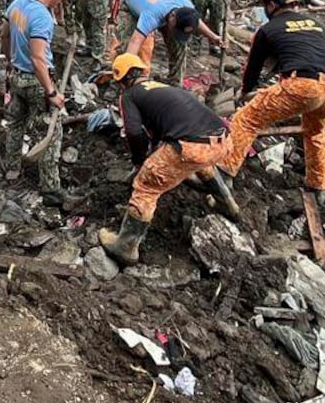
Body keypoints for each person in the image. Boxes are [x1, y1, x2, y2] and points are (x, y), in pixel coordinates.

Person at [98, 54, 237, 264]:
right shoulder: (161, 87)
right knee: (201, 162)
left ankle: (125, 246)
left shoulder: (130, 95)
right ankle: (226, 203)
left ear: (121, 80)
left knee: (146, 185)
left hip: (190, 146)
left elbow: (134, 133)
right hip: (222, 141)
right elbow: (159, 130)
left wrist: (139, 162)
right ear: (142, 71)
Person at [222, 0, 325, 198]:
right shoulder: (317, 23)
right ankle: (318, 187)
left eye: (265, 5)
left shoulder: (268, 29)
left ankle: (223, 173)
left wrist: (245, 93)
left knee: (246, 120)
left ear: (272, 4)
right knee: (315, 132)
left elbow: (253, 69)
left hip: (302, 85)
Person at [4, 0, 72, 195]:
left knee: (15, 125)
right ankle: (51, 189)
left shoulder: (18, 4)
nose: (61, 1)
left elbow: (5, 35)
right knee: (50, 133)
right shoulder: (42, 17)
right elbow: (38, 58)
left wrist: (9, 63)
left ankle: (11, 170)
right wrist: (52, 93)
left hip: (17, 77)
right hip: (35, 81)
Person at [122, 0, 218, 84]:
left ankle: (175, 82)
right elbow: (135, 41)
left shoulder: (187, 7)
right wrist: (127, 69)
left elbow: (196, 21)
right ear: (172, 16)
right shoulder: (152, 15)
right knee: (128, 47)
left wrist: (214, 37)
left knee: (179, 44)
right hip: (132, 1)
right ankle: (125, 78)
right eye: (177, 28)